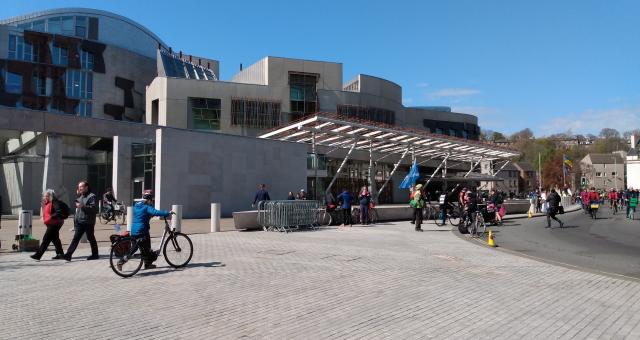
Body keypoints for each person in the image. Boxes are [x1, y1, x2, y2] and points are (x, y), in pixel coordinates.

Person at [124, 191, 172, 270]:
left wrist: (149, 215)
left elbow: (142, 215)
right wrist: (167, 213)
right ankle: (147, 263)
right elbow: (156, 212)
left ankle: (122, 261)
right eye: (151, 200)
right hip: (142, 230)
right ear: (149, 200)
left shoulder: (136, 206)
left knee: (135, 248)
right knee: (147, 248)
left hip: (133, 230)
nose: (151, 202)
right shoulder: (147, 207)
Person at [64, 181, 99, 261]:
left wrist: (82, 206)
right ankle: (68, 255)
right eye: (79, 187)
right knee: (75, 238)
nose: (79, 188)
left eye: (81, 187)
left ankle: (95, 254)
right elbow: (78, 206)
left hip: (88, 222)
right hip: (80, 221)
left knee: (91, 238)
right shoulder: (81, 196)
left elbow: (94, 209)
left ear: (86, 187)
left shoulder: (92, 196)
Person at [30, 189, 69, 261]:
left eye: (46, 196)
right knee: (55, 239)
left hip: (54, 224)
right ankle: (60, 254)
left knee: (46, 239)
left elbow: (59, 211)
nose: (44, 197)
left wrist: (51, 217)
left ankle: (38, 255)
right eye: (44, 196)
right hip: (52, 223)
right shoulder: (49, 202)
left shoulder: (55, 202)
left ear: (50, 196)